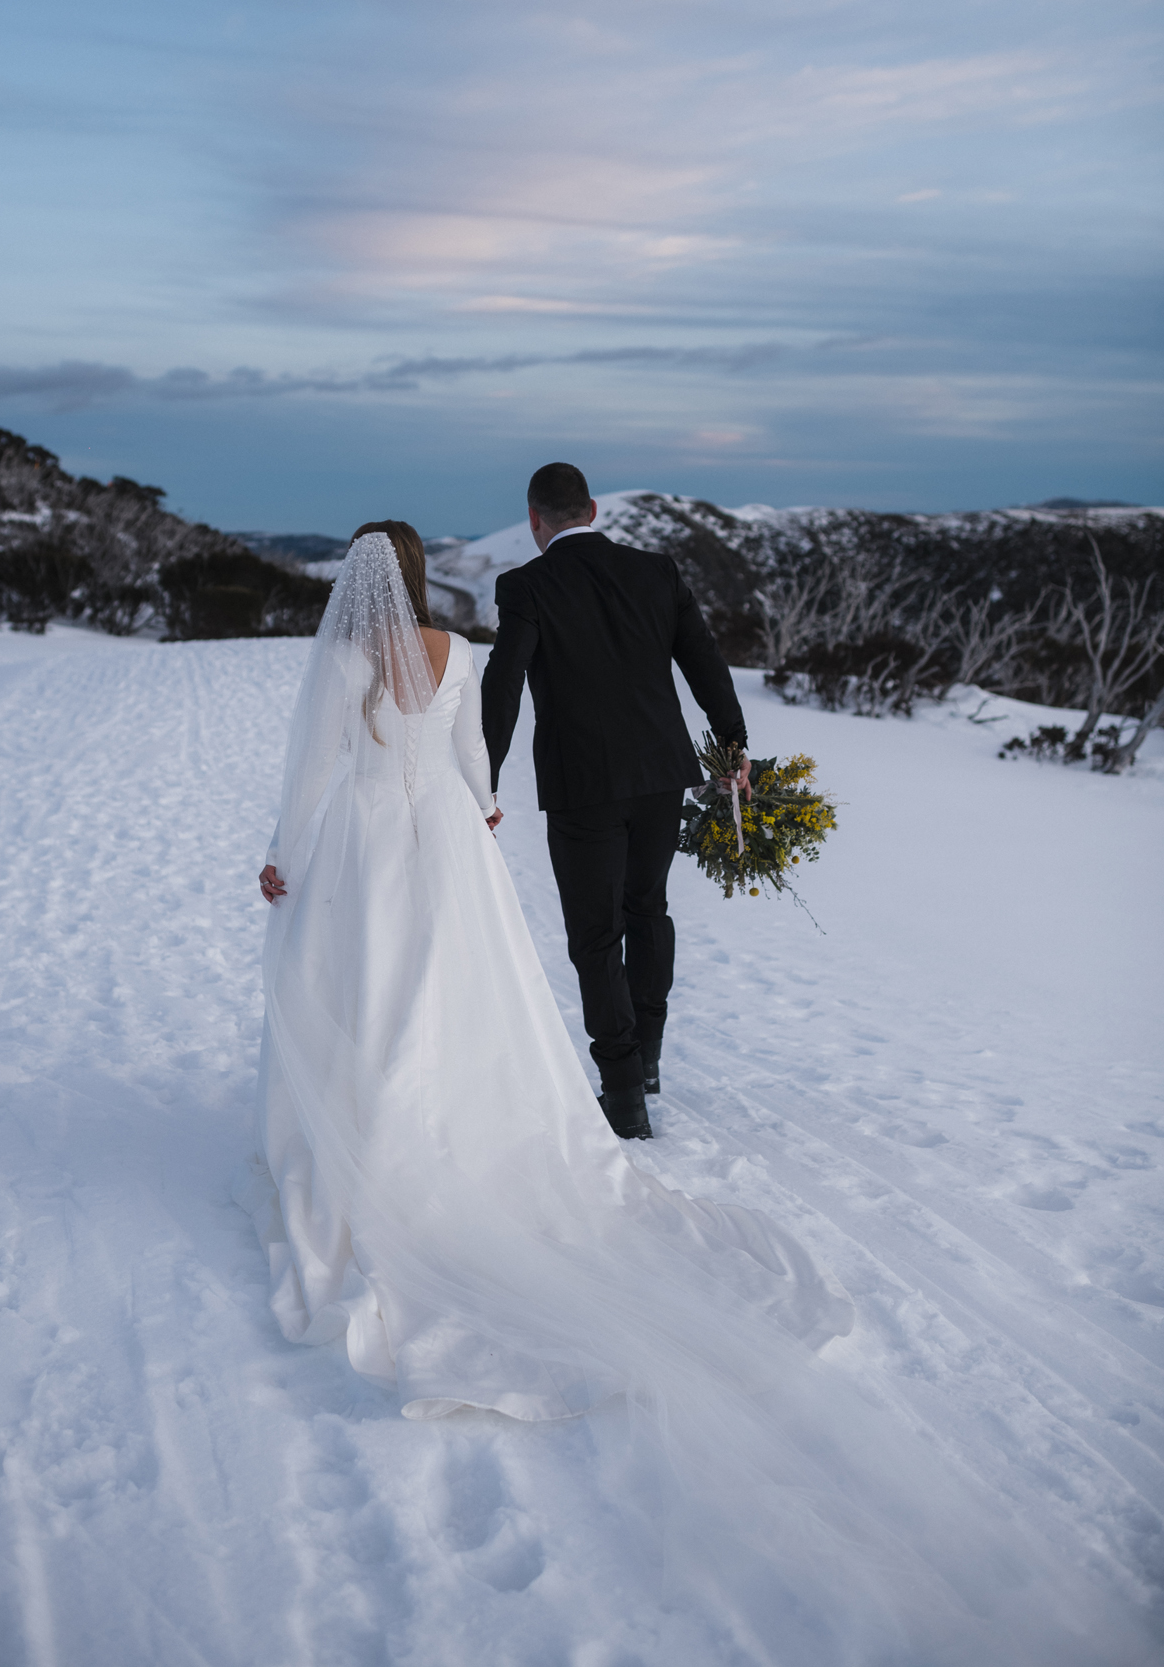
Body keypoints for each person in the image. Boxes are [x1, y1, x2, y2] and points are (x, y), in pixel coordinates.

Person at [243, 521, 1132, 1661]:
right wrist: (487, 805)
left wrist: (286, 851)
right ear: (422, 576)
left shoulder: (354, 658)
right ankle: (540, 1100)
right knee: (475, 994)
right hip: (449, 841)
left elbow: (316, 770)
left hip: (371, 843)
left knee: (372, 989)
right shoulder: (455, 648)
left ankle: (383, 1132)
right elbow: (472, 760)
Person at [481, 462, 749, 1139]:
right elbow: (703, 661)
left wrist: (479, 776)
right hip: (661, 774)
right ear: (593, 509)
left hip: (582, 784)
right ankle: (647, 1057)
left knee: (595, 934)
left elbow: (503, 685)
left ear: (535, 518)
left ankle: (623, 1088)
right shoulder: (656, 571)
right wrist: (734, 742)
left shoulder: (525, 584)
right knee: (646, 908)